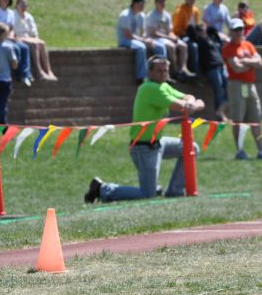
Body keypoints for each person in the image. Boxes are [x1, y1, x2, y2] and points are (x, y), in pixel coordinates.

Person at [84, 56, 204, 202]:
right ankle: (102, 188)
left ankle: (175, 191)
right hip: (144, 147)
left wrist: (192, 102)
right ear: (149, 72)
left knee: (191, 148)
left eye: (165, 71)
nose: (163, 74)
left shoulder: (163, 86)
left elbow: (188, 97)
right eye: (159, 71)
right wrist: (192, 105)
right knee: (148, 194)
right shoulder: (150, 88)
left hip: (158, 142)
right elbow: (182, 107)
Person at [223, 18, 262, 160]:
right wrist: (251, 63)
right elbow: (236, 68)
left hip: (250, 85)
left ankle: (261, 150)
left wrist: (245, 61)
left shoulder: (248, 45)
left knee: (256, 116)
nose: (239, 32)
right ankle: (240, 150)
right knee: (238, 118)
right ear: (231, 32)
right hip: (236, 85)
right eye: (236, 30)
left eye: (241, 29)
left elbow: (260, 62)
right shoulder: (228, 48)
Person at [118, 0, 166, 84]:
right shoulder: (125, 15)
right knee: (141, 47)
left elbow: (143, 32)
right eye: (140, 5)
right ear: (134, 4)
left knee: (160, 46)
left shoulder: (141, 15)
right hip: (125, 40)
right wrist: (143, 41)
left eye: (143, 5)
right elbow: (128, 35)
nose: (142, 7)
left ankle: (163, 74)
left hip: (136, 40)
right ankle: (141, 77)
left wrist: (147, 40)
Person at [0, 0, 33, 86]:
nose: (5, 0)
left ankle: (26, 74)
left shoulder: (10, 13)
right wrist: (4, 37)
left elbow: (12, 28)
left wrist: (11, 36)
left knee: (24, 48)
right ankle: (18, 74)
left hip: (9, 37)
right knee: (15, 48)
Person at [145, 0, 194, 79]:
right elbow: (154, 32)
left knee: (183, 45)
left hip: (166, 37)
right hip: (156, 38)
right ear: (155, 3)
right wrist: (168, 38)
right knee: (171, 46)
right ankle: (175, 71)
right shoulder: (151, 15)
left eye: (163, 1)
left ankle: (183, 69)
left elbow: (170, 31)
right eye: (160, 1)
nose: (162, 3)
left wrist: (174, 37)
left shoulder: (166, 15)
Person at [13, 0, 57, 81]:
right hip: (18, 38)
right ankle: (38, 71)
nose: (23, 7)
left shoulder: (29, 17)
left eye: (25, 5)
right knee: (33, 44)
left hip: (28, 38)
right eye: (21, 5)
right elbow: (13, 32)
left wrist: (36, 39)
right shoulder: (13, 15)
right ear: (17, 5)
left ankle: (48, 70)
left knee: (42, 43)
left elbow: (34, 33)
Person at [193, 24, 228, 120]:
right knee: (219, 89)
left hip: (220, 66)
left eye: (203, 30)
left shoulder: (211, 39)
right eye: (200, 30)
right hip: (211, 67)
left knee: (227, 87)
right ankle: (219, 114)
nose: (203, 32)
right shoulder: (199, 42)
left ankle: (220, 111)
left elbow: (214, 30)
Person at [172, 0, 202, 73]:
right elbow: (176, 29)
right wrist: (186, 33)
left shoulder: (195, 10)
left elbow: (195, 25)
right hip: (182, 36)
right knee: (193, 46)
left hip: (193, 35)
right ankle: (195, 71)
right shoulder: (180, 11)